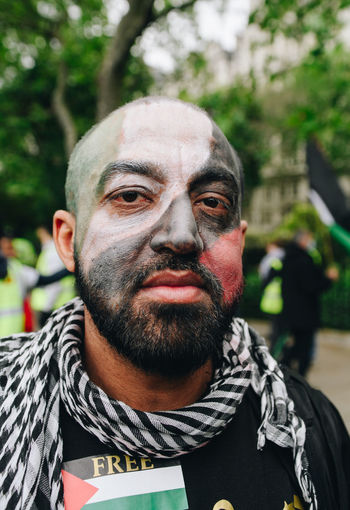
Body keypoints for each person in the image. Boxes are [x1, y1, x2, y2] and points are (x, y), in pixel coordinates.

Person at [0, 97, 349, 510]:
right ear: (67, 241)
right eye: (131, 195)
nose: (182, 235)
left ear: (238, 240)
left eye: (212, 202)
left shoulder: (309, 427)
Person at [281, 230, 338, 377]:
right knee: (303, 348)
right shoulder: (303, 260)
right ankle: (297, 376)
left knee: (297, 345)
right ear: (303, 240)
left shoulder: (289, 257)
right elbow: (311, 286)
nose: (312, 243)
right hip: (305, 313)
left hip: (292, 311)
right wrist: (329, 279)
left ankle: (284, 368)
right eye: (310, 239)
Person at [0, 231, 69, 337]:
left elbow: (43, 280)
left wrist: (68, 269)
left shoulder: (14, 267)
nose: (13, 252)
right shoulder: (13, 267)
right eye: (8, 248)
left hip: (14, 337)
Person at [31, 225, 76, 328]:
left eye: (40, 235)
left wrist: (47, 308)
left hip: (53, 307)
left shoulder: (52, 252)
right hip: (58, 305)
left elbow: (55, 283)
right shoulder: (52, 250)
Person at [259, 240, 287, 357]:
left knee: (277, 329)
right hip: (280, 300)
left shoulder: (273, 259)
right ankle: (278, 351)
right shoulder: (284, 257)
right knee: (279, 329)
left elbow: (265, 276)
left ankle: (274, 353)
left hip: (274, 300)